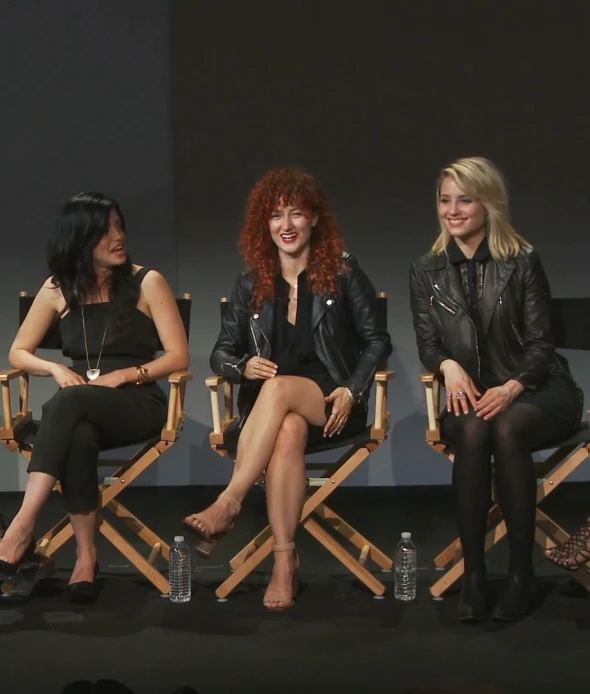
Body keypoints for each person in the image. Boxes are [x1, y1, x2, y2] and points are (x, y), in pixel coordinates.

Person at [183, 168, 391, 611]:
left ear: (315, 219)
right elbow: (221, 353)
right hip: (272, 419)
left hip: (333, 401)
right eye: (277, 216)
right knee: (288, 429)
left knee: (278, 392)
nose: (287, 225)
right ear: (266, 224)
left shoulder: (344, 273)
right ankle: (284, 561)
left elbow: (378, 340)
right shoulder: (250, 284)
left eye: (297, 213)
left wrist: (354, 389)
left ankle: (229, 502)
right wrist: (242, 365)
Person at [409, 157, 583, 622]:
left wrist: (511, 387)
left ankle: (520, 575)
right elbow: (426, 342)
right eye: (446, 200)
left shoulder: (521, 261)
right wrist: (447, 365)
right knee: (471, 431)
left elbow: (542, 344)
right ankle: (474, 575)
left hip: (540, 389)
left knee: (505, 427)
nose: (453, 210)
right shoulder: (425, 269)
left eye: (465, 200)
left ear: (488, 205)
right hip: (473, 396)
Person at [0, 193, 189, 603]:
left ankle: (21, 527)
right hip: (82, 408)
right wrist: (53, 369)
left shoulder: (147, 281)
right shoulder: (56, 290)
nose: (118, 237)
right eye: (105, 230)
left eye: (120, 225)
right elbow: (18, 351)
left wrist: (123, 375)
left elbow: (179, 355)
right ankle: (86, 558)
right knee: (79, 434)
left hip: (139, 402)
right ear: (80, 240)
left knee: (65, 405)